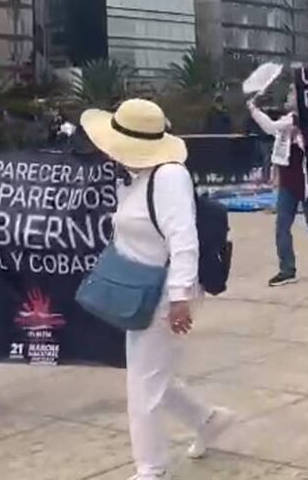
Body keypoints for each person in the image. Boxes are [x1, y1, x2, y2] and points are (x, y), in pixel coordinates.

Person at [81, 99, 235, 480]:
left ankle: (151, 468)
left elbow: (183, 239)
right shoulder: (134, 176)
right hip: (139, 288)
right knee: (153, 376)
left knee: (143, 383)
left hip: (164, 292)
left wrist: (180, 296)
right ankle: (208, 419)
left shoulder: (168, 177)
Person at [247, 91, 306, 286]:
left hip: (306, 182)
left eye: (292, 94)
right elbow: (271, 128)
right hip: (289, 183)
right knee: (282, 226)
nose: (288, 97)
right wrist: (254, 110)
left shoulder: (306, 121)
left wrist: (254, 109)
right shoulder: (288, 121)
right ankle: (287, 269)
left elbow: (271, 126)